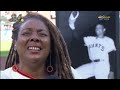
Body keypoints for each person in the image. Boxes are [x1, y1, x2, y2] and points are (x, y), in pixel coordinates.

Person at [0, 12, 81, 79]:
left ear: (51, 44)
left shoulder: (68, 74)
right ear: (15, 43)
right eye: (26, 33)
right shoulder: (4, 77)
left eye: (42, 34)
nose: (34, 38)